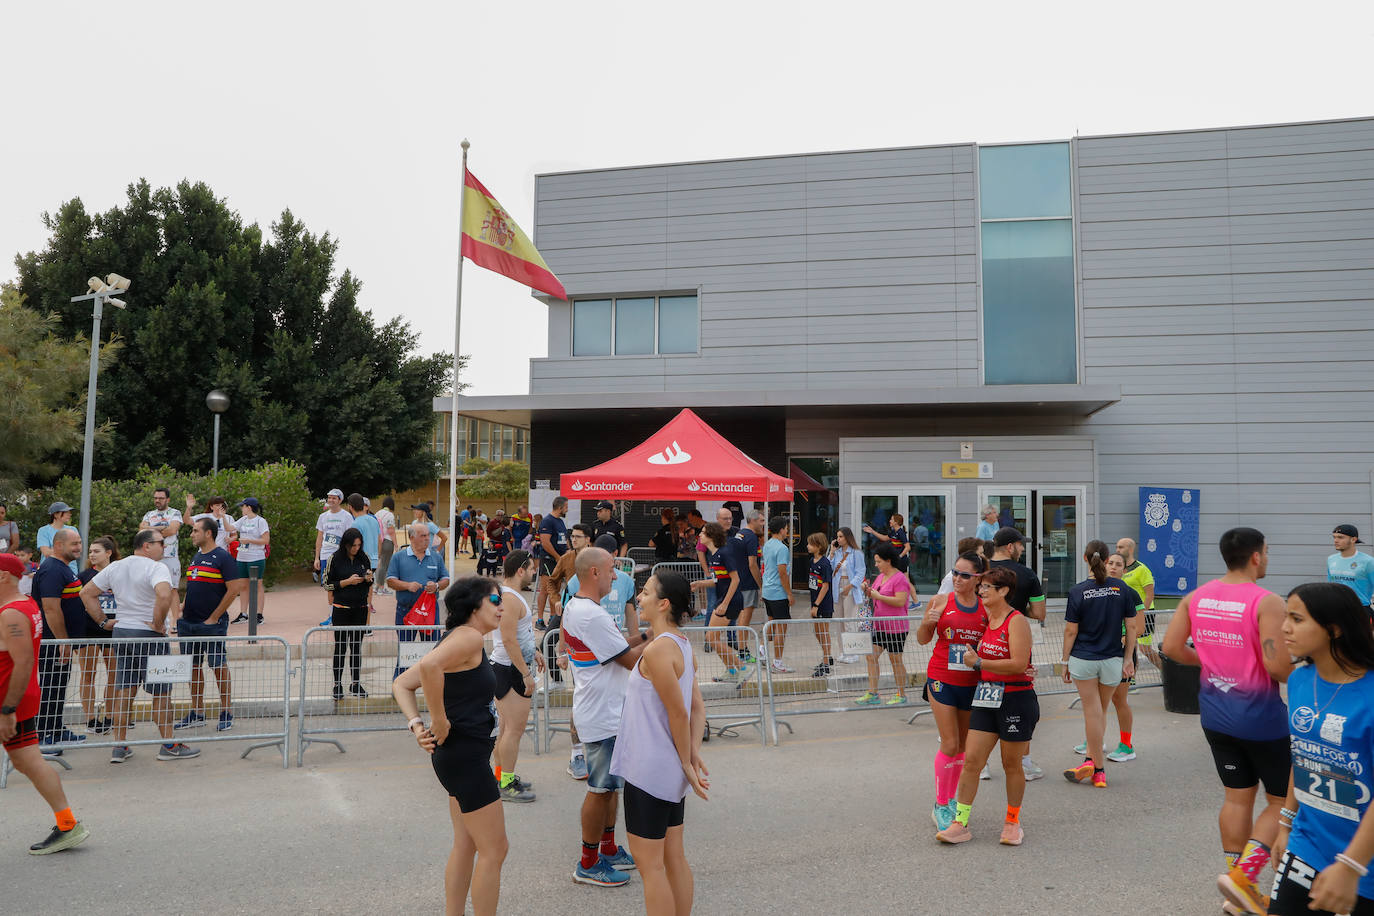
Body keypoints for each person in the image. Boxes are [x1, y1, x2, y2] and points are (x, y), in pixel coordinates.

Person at [1162, 526, 1294, 914]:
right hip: (1262, 718)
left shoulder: (1196, 597)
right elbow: (1278, 667)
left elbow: (1171, 648)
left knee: (1237, 797)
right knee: (1281, 801)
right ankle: (1243, 880)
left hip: (1215, 714)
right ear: (1256, 556)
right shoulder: (1267, 601)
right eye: (1266, 552)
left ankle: (1238, 888)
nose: (1266, 559)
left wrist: (1212, 663)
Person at [392, 577, 509, 916]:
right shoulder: (469, 637)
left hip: (459, 757)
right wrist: (436, 719)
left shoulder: (461, 639)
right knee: (495, 849)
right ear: (474, 606)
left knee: (468, 844)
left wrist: (416, 725)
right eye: (494, 599)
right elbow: (428, 668)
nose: (501, 606)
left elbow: (402, 683)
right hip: (465, 757)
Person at [1270, 582, 1374, 916]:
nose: (1284, 627)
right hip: (1307, 845)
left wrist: (1351, 865)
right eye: (1286, 616)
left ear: (1334, 628)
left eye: (1297, 619)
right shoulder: (1300, 680)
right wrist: (1285, 824)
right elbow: (1302, 755)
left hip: (1363, 863)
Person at [610, 569, 709, 915]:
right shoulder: (682, 645)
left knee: (651, 868)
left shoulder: (657, 651)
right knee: (673, 858)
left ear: (664, 603)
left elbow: (681, 713)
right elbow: (698, 709)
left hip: (649, 770)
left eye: (647, 592)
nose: (639, 597)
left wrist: (687, 760)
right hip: (667, 770)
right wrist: (690, 756)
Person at [562, 547, 648, 887]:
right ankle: (587, 862)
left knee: (611, 788)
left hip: (605, 711)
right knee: (600, 790)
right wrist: (664, 639)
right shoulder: (591, 615)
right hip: (602, 714)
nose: (616, 576)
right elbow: (628, 660)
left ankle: (609, 849)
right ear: (594, 573)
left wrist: (647, 635)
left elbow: (617, 648)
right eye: (612, 569)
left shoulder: (581, 608)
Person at [936, 565, 1038, 846]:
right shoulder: (986, 620)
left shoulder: (1016, 621)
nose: (980, 591)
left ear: (1003, 591)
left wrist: (980, 663)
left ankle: (1012, 821)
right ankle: (960, 822)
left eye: (986, 587)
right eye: (980, 586)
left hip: (1016, 698)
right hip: (986, 695)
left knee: (1011, 764)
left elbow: (1018, 663)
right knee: (972, 762)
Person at [81, 529, 200, 762]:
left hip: (122, 632)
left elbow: (86, 593)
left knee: (124, 689)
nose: (164, 548)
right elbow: (165, 596)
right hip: (148, 635)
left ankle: (120, 746)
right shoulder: (156, 568)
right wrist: (158, 624)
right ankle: (168, 744)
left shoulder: (116, 566)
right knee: (162, 692)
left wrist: (104, 622)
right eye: (160, 543)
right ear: (146, 546)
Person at [0, 552, 91, 855]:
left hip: (9, 698)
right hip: (18, 696)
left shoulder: (12, 614)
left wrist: (7, 710)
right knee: (29, 762)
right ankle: (67, 824)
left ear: (4, 576)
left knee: (30, 762)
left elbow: (24, 661)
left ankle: (67, 824)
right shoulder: (24, 605)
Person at [1060, 539, 1141, 789]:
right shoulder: (1122, 589)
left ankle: (1098, 768)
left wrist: (1064, 662)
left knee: (1092, 713)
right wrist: (1128, 658)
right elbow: (1133, 626)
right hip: (1112, 660)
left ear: (1085, 559)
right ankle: (1090, 760)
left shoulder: (1077, 591)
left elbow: (1070, 631)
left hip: (1083, 659)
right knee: (1100, 712)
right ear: (1107, 561)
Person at [918, 550, 989, 831]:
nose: (957, 578)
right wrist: (928, 623)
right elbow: (923, 640)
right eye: (955, 572)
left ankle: (951, 800)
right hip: (941, 678)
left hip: (972, 683)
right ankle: (941, 803)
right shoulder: (940, 601)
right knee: (949, 743)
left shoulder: (986, 607)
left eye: (964, 575)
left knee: (962, 746)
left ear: (978, 578)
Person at [33, 528, 103, 752]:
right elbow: (51, 609)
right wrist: (62, 642)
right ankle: (44, 737)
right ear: (58, 545)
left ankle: (56, 730)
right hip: (53, 643)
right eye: (73, 543)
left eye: (80, 543)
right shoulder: (52, 569)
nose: (78, 548)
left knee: (59, 686)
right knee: (51, 687)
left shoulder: (64, 569)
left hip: (63, 643)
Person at [173, 518, 243, 732]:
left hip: (211, 624)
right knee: (192, 668)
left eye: (195, 531)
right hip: (189, 623)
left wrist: (215, 617)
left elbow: (234, 590)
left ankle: (226, 711)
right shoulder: (196, 557)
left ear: (208, 534)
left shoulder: (222, 557)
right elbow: (196, 585)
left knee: (218, 666)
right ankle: (197, 712)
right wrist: (184, 606)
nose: (191, 534)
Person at [988, 526, 1047, 781]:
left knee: (981, 701)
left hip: (985, 643)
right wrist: (1020, 608)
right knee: (1019, 702)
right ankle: (1024, 762)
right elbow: (1040, 613)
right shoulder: (1027, 574)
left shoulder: (980, 568)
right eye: (1021, 544)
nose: (1023, 548)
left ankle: (982, 764)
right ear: (1010, 547)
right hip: (1016, 643)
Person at [1073, 552, 1144, 764]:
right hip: (1098, 654)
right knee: (1096, 704)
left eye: (1118, 564)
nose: (1113, 567)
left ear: (1125, 569)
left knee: (1119, 699)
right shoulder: (1097, 590)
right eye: (1110, 563)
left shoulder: (1129, 593)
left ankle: (1126, 744)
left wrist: (1123, 639)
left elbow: (1138, 626)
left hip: (1121, 653)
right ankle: (1095, 741)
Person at [492, 550, 541, 803]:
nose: (534, 572)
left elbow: (520, 636)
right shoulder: (510, 599)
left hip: (508, 667)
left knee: (505, 730)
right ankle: (506, 784)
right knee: (514, 730)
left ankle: (501, 778)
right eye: (532, 568)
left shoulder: (510, 596)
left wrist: (536, 652)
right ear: (520, 570)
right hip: (510, 670)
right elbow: (509, 639)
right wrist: (525, 673)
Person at [386, 523, 451, 679]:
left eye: (428, 535)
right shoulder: (399, 557)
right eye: (423, 536)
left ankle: (432, 685)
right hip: (406, 611)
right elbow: (390, 581)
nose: (427, 539)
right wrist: (407, 585)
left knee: (432, 650)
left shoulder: (435, 556)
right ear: (412, 537)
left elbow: (446, 579)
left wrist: (436, 586)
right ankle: (400, 685)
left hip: (429, 611)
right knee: (405, 651)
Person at [692, 523, 750, 683]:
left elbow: (735, 579)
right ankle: (731, 670)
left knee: (711, 637)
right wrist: (701, 583)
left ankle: (743, 668)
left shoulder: (724, 553)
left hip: (730, 602)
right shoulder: (714, 555)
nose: (700, 536)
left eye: (703, 533)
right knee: (712, 638)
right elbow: (719, 580)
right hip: (723, 600)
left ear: (711, 536)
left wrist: (725, 603)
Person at [856, 543, 911, 706]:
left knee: (896, 660)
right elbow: (875, 593)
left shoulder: (900, 578)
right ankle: (873, 692)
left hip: (896, 627)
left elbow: (900, 601)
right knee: (870, 656)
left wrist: (878, 596)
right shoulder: (880, 576)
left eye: (879, 561)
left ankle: (901, 694)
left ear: (888, 561)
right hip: (879, 625)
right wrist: (867, 589)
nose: (876, 564)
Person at [76, 537, 119, 735]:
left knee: (114, 675)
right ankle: (91, 720)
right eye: (90, 551)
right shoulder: (84, 576)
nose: (92, 554)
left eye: (96, 551)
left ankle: (110, 716)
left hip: (114, 630)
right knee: (88, 675)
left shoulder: (119, 572)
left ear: (109, 553)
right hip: (89, 629)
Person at [325, 527, 373, 701]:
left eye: (359, 545)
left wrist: (368, 579)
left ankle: (355, 683)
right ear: (346, 544)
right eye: (353, 545)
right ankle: (337, 684)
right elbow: (327, 584)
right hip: (341, 609)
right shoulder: (335, 559)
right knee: (340, 647)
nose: (356, 549)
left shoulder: (364, 557)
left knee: (356, 648)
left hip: (359, 608)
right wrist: (347, 582)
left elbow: (370, 580)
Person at [1115, 537, 1159, 667]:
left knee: (1145, 649)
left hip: (1144, 613)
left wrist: (1141, 613)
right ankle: (1131, 678)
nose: (1117, 550)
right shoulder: (1118, 569)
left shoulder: (1142, 569)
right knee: (1129, 646)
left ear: (1131, 549)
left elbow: (1150, 594)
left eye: (1121, 547)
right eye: (1117, 547)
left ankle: (1166, 672)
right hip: (1126, 614)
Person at [829, 527, 866, 665]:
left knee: (850, 622)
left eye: (841, 537)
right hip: (837, 587)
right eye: (837, 537)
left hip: (850, 587)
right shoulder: (837, 553)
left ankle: (853, 652)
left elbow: (861, 572)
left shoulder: (856, 553)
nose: (838, 539)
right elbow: (829, 567)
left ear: (847, 538)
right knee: (839, 622)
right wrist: (831, 552)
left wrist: (850, 586)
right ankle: (843, 651)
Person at [762, 515, 794, 674]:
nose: (788, 531)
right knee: (781, 628)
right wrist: (789, 593)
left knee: (771, 622)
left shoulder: (767, 544)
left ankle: (762, 650)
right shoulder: (782, 548)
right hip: (778, 592)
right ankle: (777, 662)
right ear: (782, 529)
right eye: (787, 528)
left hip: (767, 590)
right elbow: (782, 573)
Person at [230, 497, 270, 625]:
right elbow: (229, 528)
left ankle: (259, 614)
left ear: (249, 507)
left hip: (256, 557)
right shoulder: (243, 520)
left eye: (243, 506)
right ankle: (243, 614)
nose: (241, 508)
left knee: (257, 585)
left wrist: (249, 541)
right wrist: (221, 517)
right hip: (242, 557)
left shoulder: (261, 521)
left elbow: (265, 540)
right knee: (243, 585)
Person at [314, 489, 352, 624]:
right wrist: (317, 558)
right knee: (329, 586)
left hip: (341, 556)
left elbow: (350, 538)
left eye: (334, 498)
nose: (330, 500)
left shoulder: (347, 516)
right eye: (329, 498)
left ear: (340, 500)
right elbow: (319, 538)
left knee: (343, 586)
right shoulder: (323, 516)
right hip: (325, 556)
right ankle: (332, 616)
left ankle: (345, 614)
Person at [535, 497, 570, 628]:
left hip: (559, 560)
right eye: (566, 506)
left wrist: (568, 551)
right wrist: (557, 557)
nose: (567, 509)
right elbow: (545, 542)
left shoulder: (560, 522)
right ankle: (539, 620)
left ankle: (552, 618)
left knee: (556, 590)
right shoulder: (547, 521)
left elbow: (564, 539)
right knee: (546, 589)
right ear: (560, 507)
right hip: (549, 560)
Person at [139, 487, 184, 585]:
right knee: (150, 588)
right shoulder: (149, 514)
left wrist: (150, 529)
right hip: (150, 557)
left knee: (172, 589)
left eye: (161, 498)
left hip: (170, 556)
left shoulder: (175, 513)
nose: (157, 500)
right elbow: (141, 530)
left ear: (168, 500)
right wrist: (162, 527)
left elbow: (171, 530)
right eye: (155, 498)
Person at [806, 533, 836, 677]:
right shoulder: (812, 560)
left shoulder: (825, 564)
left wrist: (817, 604)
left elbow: (825, 586)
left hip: (823, 603)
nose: (807, 546)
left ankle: (826, 663)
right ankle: (827, 656)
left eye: (810, 544)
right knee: (818, 632)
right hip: (815, 600)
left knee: (823, 632)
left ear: (818, 546)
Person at [1328, 523, 1374, 613]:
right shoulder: (1331, 559)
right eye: (1334, 537)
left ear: (1353, 539)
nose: (1336, 540)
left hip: (1360, 610)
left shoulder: (1368, 561)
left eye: (1340, 537)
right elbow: (1331, 586)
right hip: (1336, 609)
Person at [733, 511, 765, 639]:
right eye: (761, 521)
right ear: (753, 520)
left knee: (742, 616)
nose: (763, 524)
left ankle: (741, 648)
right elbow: (752, 564)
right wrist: (760, 585)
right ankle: (742, 650)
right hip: (747, 582)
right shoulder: (751, 537)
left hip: (739, 581)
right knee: (745, 617)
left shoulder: (739, 534)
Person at [37, 502, 78, 575]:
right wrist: (68, 549)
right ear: (56, 514)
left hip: (71, 571)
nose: (70, 514)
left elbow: (77, 550)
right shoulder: (43, 530)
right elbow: (46, 552)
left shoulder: (73, 529)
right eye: (66, 512)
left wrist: (55, 550)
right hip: (49, 571)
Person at [347, 493, 381, 571]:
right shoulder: (374, 520)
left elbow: (355, 546)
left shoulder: (355, 524)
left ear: (350, 507)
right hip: (375, 562)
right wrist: (378, 557)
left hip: (362, 562)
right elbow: (380, 541)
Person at [376, 497, 397, 597]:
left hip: (378, 541)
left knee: (380, 564)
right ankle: (381, 588)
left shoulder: (377, 513)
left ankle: (377, 587)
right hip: (387, 541)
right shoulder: (390, 515)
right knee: (384, 565)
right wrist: (396, 544)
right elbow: (391, 531)